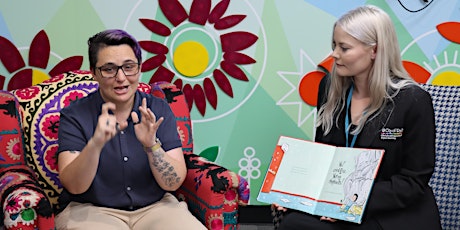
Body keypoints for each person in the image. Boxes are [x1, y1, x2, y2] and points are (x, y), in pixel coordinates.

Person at [274, 5, 441, 230]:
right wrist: (294, 195)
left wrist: (352, 202)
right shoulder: (329, 88)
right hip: (338, 204)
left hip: (390, 212)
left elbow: (413, 181)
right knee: (293, 223)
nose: (334, 54)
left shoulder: (414, 100)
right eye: (335, 45)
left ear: (374, 51)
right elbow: (324, 159)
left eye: (344, 48)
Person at [55, 29, 206, 230]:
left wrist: (152, 146)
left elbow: (173, 183)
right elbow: (74, 186)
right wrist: (96, 144)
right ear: (94, 72)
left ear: (139, 69)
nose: (121, 77)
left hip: (156, 208)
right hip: (91, 211)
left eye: (129, 67)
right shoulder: (74, 115)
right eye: (109, 69)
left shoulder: (159, 109)